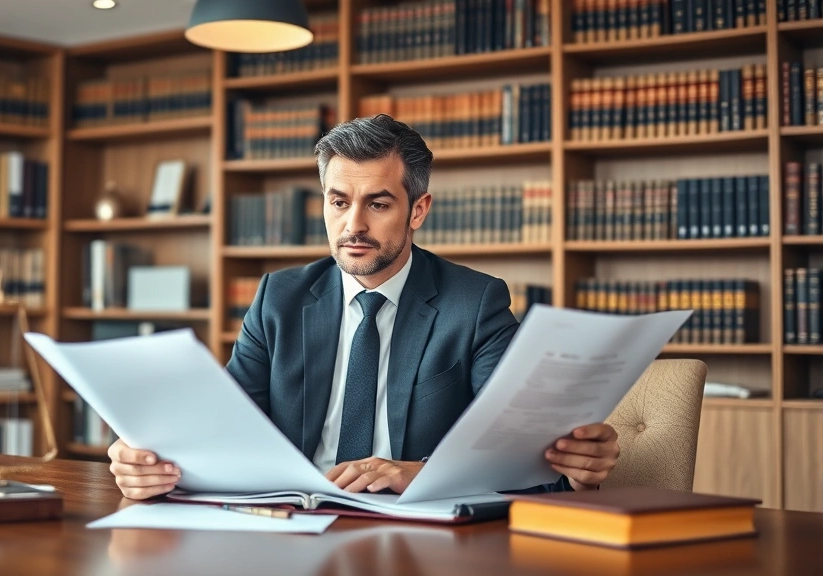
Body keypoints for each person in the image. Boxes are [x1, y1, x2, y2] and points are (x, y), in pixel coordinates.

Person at [109, 114, 620, 500]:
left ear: (417, 209)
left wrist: (420, 473)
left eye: (377, 204)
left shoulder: (476, 302)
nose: (353, 225)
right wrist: (149, 460)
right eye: (338, 202)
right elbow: (222, 428)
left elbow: (515, 450)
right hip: (290, 522)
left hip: (418, 532)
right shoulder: (278, 299)